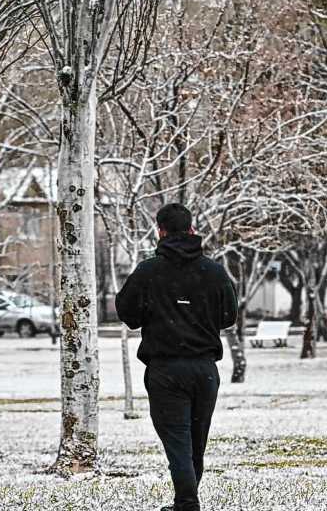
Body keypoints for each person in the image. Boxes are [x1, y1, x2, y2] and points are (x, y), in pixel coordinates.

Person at [115, 203, 237, 511]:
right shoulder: (213, 271)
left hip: (165, 369)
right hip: (204, 369)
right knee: (196, 442)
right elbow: (229, 316)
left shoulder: (148, 271)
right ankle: (186, 500)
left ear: (161, 231)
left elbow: (126, 312)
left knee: (178, 442)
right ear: (192, 229)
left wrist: (156, 311)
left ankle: (186, 504)